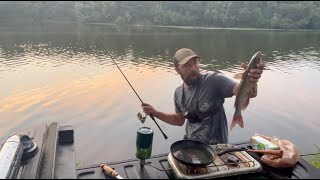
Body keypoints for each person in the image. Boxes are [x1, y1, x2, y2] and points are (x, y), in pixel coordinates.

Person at [141, 48, 264, 144]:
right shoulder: (179, 93)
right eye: (187, 65)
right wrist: (155, 112)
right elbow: (178, 120)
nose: (193, 68)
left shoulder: (214, 80)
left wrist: (251, 80)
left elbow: (246, 92)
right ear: (177, 69)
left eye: (195, 62)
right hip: (191, 145)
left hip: (217, 149)